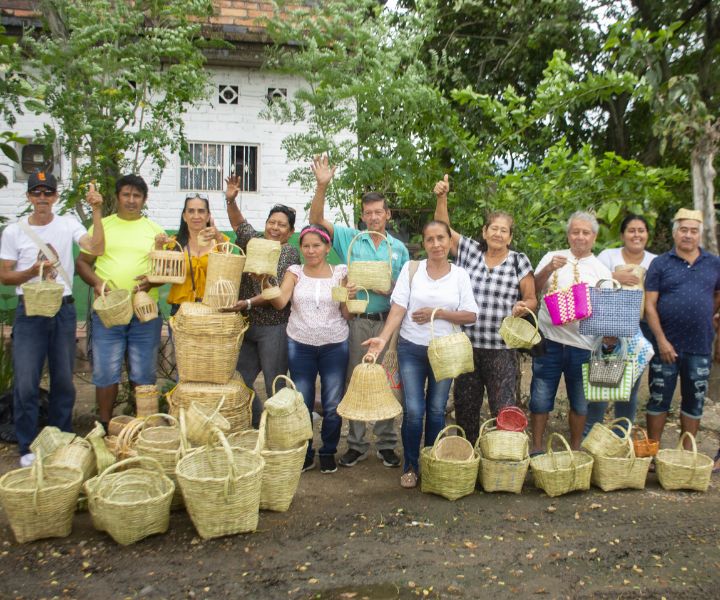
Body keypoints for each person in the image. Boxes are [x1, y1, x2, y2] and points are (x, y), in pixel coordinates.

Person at [309, 154, 409, 468]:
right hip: (357, 322)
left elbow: (405, 292)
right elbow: (316, 221)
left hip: (387, 324)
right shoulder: (352, 239)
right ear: (363, 216)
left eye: (378, 212)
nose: (373, 217)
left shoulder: (399, 249)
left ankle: (387, 443)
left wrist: (388, 288)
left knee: (386, 382)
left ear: (387, 214)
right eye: (368, 213)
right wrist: (322, 185)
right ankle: (355, 443)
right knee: (356, 379)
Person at [363, 221, 479, 488]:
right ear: (424, 243)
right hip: (411, 348)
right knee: (414, 410)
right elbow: (399, 308)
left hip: (446, 353)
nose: (436, 244)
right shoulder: (411, 269)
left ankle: (432, 461)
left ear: (450, 242)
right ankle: (411, 465)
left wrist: (436, 313)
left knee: (437, 410)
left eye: (441, 238)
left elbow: (471, 315)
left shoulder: (460, 274)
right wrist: (382, 339)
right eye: (430, 239)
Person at [0, 172, 105, 467]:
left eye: (48, 193)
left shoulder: (68, 223)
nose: (42, 198)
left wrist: (97, 210)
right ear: (29, 197)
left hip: (63, 309)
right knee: (26, 382)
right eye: (37, 193)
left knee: (63, 381)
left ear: (55, 197)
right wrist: (33, 272)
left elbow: (95, 247)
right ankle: (26, 446)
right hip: (30, 311)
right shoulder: (14, 231)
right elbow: (5, 275)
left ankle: (62, 438)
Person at [433, 174, 536, 444]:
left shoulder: (518, 261)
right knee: (466, 409)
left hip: (502, 349)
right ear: (484, 231)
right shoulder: (469, 252)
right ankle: (468, 458)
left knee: (504, 409)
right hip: (466, 348)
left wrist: (524, 306)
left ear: (510, 237)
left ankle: (502, 460)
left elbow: (532, 298)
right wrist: (442, 197)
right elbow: (442, 228)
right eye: (493, 228)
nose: (498, 234)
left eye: (504, 230)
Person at [76, 174, 166, 432]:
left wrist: (152, 282)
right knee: (106, 371)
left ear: (144, 199)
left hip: (144, 313)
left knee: (144, 374)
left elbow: (162, 271)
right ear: (117, 197)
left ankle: (142, 427)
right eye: (126, 194)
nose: (131, 200)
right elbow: (83, 263)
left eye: (137, 195)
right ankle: (104, 427)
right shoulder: (101, 226)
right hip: (108, 313)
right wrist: (97, 283)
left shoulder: (154, 230)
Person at [268, 224, 352, 474]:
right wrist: (266, 282)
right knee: (302, 400)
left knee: (333, 401)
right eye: (306, 246)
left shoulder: (340, 273)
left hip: (334, 343)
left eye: (317, 245)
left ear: (327, 247)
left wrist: (349, 296)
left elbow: (347, 314)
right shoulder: (295, 272)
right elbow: (281, 301)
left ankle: (328, 451)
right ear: (301, 248)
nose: (311, 250)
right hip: (300, 343)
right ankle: (305, 452)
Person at [530, 211, 612, 453]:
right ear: (568, 235)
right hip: (549, 340)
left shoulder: (600, 269)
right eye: (575, 232)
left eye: (585, 232)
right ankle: (536, 447)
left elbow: (605, 308)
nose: (580, 237)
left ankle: (575, 450)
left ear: (594, 237)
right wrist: (547, 269)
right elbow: (533, 289)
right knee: (541, 398)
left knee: (579, 401)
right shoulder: (553, 258)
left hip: (583, 345)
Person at [224, 175, 301, 427]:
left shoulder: (289, 252)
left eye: (281, 225)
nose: (275, 228)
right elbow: (238, 224)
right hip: (247, 326)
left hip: (274, 327)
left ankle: (282, 432)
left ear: (289, 232)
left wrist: (246, 302)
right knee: (240, 379)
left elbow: (274, 293)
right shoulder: (254, 241)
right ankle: (260, 421)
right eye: (272, 222)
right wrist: (231, 200)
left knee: (275, 383)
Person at [644, 208, 720, 450]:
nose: (688, 235)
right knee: (658, 399)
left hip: (700, 345)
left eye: (693, 231)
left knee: (694, 401)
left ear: (700, 235)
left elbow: (717, 296)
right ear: (676, 233)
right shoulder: (660, 263)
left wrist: (708, 313)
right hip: (665, 345)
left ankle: (686, 453)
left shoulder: (714, 263)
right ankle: (653, 451)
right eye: (684, 230)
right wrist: (661, 341)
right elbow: (650, 306)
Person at [585, 214, 657, 434]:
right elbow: (594, 282)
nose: (636, 235)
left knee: (629, 387)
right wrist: (615, 275)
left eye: (641, 230)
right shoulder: (609, 255)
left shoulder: (655, 261)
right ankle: (591, 435)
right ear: (622, 235)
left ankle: (620, 436)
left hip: (641, 328)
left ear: (647, 235)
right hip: (609, 328)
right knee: (601, 382)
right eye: (631, 230)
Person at [163, 193, 227, 315]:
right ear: (184, 216)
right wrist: (159, 246)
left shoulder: (220, 242)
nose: (196, 216)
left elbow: (229, 270)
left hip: (213, 311)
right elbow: (164, 273)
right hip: (181, 311)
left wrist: (217, 235)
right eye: (191, 211)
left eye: (201, 211)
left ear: (208, 216)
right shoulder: (174, 243)